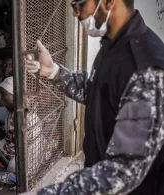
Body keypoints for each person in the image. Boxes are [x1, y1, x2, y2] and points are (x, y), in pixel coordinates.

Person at [26, 0, 164, 194]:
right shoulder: (113, 47)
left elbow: (125, 169)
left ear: (108, 2)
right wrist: (54, 72)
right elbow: (98, 93)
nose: (75, 13)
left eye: (79, 4)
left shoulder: (145, 67)